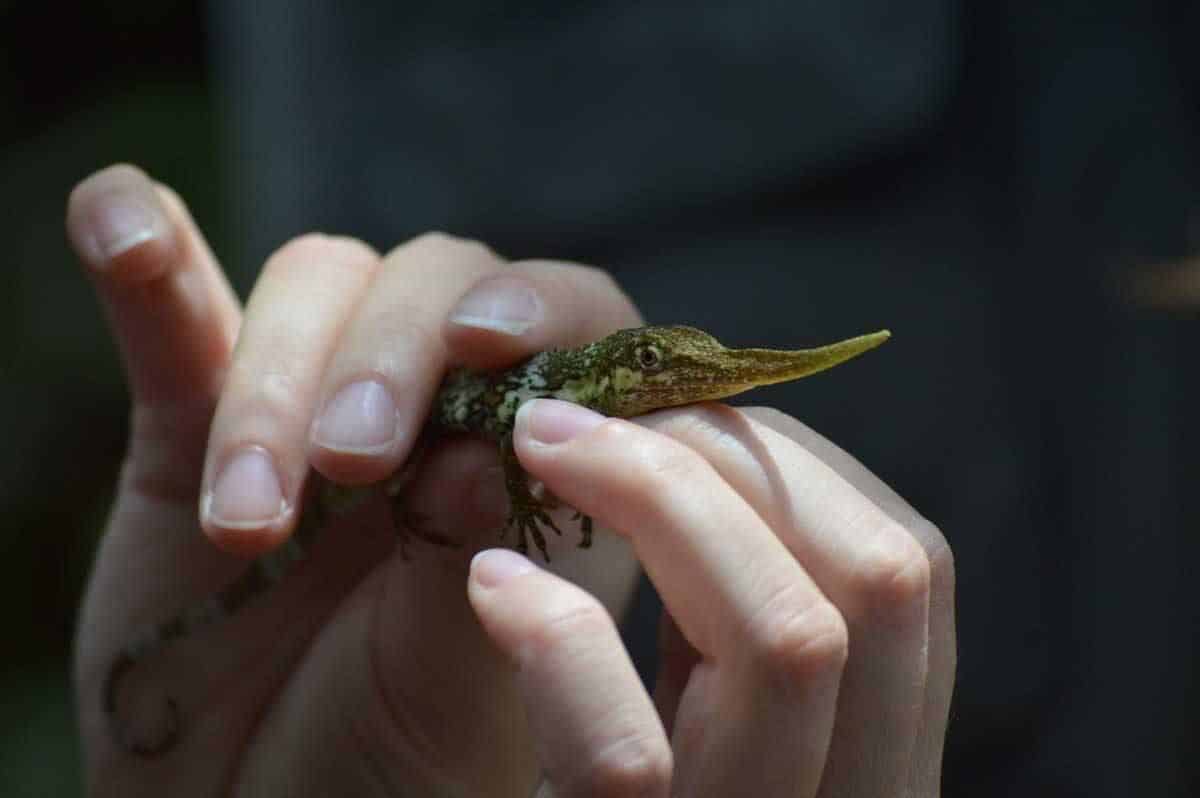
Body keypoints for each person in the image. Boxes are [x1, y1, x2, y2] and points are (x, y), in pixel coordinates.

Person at [68, 163, 953, 796]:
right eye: (650, 364)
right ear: (620, 366)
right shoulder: (559, 388)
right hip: (387, 472)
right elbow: (503, 431)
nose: (663, 378)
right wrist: (519, 500)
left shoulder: (583, 396)